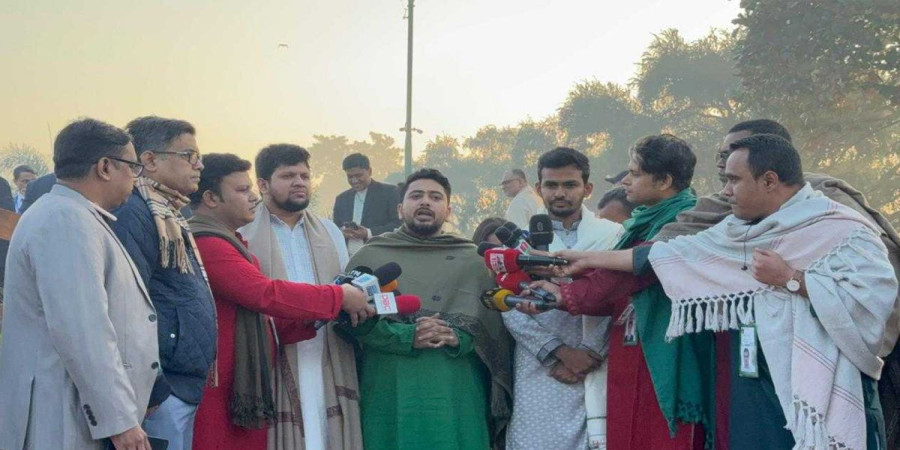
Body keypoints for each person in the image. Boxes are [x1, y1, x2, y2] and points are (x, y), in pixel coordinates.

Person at [549, 134, 897, 449]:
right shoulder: (736, 230)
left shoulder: (842, 229)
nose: (725, 191)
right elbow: (669, 254)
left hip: (823, 389)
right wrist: (584, 258)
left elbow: (873, 307)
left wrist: (793, 278)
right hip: (751, 385)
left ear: (770, 180)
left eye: (733, 180)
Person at [651, 119, 900, 449]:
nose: (725, 162)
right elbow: (673, 249)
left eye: (733, 153)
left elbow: (874, 290)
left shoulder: (831, 209)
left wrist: (792, 280)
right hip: (759, 367)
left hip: (846, 361)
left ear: (770, 168)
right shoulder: (729, 210)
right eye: (722, 155)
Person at [187, 154, 372, 450]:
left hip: (318, 359)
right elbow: (263, 294)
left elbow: (264, 314)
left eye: (304, 176)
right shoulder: (207, 243)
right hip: (232, 381)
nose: (251, 198)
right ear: (210, 198)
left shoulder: (327, 231)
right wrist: (338, 297)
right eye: (242, 190)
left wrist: (322, 316)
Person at [0, 118, 158, 449]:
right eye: (132, 167)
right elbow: (83, 330)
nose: (135, 177)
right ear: (104, 167)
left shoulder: (73, 215)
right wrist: (120, 420)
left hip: (76, 410)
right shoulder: (64, 220)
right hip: (62, 415)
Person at [339, 168, 513, 450]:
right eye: (416, 196)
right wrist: (407, 336)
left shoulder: (473, 261)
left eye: (435, 197)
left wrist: (460, 337)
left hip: (456, 391)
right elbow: (351, 324)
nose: (425, 202)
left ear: (448, 210)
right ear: (400, 208)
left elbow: (495, 333)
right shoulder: (370, 256)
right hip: (390, 386)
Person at [240, 144, 364, 450]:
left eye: (304, 175)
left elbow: (344, 289)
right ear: (263, 184)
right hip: (271, 356)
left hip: (327, 353)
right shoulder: (243, 232)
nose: (299, 182)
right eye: (288, 175)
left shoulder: (329, 231)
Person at [503, 147, 622, 450]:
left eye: (570, 185)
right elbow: (506, 302)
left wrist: (588, 352)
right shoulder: (519, 241)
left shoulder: (614, 236)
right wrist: (559, 353)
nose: (560, 193)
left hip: (600, 360)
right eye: (552, 185)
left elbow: (621, 296)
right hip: (541, 363)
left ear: (587, 188)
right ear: (539, 188)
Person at [110, 116, 215, 450]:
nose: (199, 165)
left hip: (180, 383)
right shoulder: (135, 212)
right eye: (188, 155)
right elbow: (126, 303)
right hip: (160, 387)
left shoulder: (167, 211)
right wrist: (153, 384)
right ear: (150, 160)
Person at [333, 153, 402, 256]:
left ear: (370, 171)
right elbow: (335, 228)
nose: (354, 180)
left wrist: (368, 233)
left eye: (358, 175)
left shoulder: (390, 192)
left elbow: (398, 226)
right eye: (350, 177)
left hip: (379, 257)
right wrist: (342, 233)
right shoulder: (341, 199)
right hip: (347, 261)